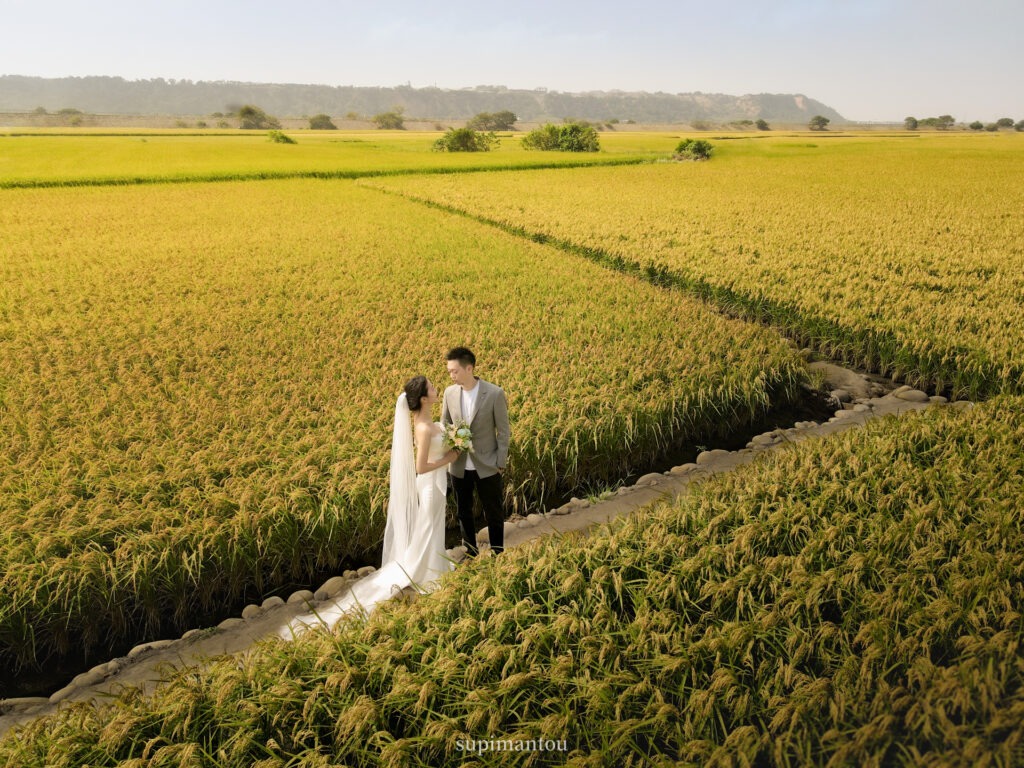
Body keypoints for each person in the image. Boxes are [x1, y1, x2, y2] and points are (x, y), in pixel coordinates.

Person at [283, 376, 457, 635]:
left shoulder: (428, 422)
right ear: (423, 398)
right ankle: (426, 570)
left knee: (432, 527)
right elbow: (420, 467)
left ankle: (435, 565)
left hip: (436, 484)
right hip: (430, 485)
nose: (436, 389)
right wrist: (451, 457)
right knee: (428, 527)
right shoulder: (422, 427)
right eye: (431, 387)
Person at [442, 347, 511, 556]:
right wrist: (452, 443)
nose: (451, 375)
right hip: (459, 464)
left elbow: (504, 430)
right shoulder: (449, 393)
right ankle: (471, 552)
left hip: (488, 464)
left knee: (494, 511)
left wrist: (500, 461)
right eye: (449, 372)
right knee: (464, 511)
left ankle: (498, 552)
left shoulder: (494, 393)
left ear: (469, 368)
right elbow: (445, 424)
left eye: (454, 371)